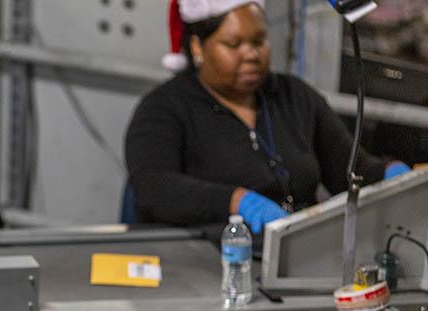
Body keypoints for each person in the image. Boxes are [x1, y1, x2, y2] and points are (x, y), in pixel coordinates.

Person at [125, 0, 409, 234]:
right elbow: (154, 187)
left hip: (293, 255)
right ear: (198, 47)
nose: (251, 54)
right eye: (234, 45)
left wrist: (391, 176)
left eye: (259, 41)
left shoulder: (294, 97)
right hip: (203, 259)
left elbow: (350, 170)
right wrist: (235, 201)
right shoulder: (164, 108)